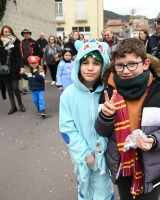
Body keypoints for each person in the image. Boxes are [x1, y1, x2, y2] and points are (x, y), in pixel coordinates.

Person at [95, 38, 160, 200]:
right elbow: (102, 131)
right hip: (121, 165)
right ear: (114, 66)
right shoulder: (108, 95)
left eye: (132, 64)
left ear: (145, 64)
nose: (125, 70)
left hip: (151, 165)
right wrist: (105, 117)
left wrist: (154, 139)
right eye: (120, 65)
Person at [59, 39, 114, 200]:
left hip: (103, 155)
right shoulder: (69, 94)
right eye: (85, 62)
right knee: (84, 189)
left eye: (96, 63)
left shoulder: (109, 92)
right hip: (80, 156)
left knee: (104, 190)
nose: (90, 68)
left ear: (103, 66)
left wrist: (102, 147)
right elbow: (67, 129)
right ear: (78, 64)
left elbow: (114, 125)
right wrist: (85, 154)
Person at [0, 25, 26, 115]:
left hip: (14, 68)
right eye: (6, 32)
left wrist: (21, 67)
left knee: (15, 87)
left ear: (11, 32)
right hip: (4, 69)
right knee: (9, 88)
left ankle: (20, 103)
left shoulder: (16, 42)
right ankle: (13, 106)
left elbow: (19, 56)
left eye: (9, 32)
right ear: (3, 33)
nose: (7, 33)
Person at [19, 29, 40, 95]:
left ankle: (37, 86)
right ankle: (25, 88)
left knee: (35, 74)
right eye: (24, 34)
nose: (26, 34)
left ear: (29, 34)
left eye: (27, 33)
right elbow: (19, 53)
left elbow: (39, 52)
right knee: (25, 75)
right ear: (23, 35)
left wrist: (37, 60)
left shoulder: (34, 42)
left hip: (33, 62)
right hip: (24, 62)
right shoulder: (21, 43)